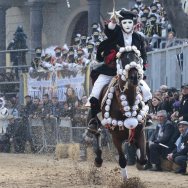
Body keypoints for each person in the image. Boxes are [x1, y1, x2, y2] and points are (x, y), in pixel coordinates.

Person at [86, 9, 152, 133]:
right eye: (125, 23)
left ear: (133, 24)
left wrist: (141, 68)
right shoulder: (116, 33)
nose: (127, 25)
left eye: (129, 23)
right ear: (121, 24)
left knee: (147, 91)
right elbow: (109, 30)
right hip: (111, 71)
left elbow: (143, 55)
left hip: (132, 73)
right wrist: (112, 22)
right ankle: (94, 120)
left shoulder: (138, 38)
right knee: (95, 93)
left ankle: (147, 116)